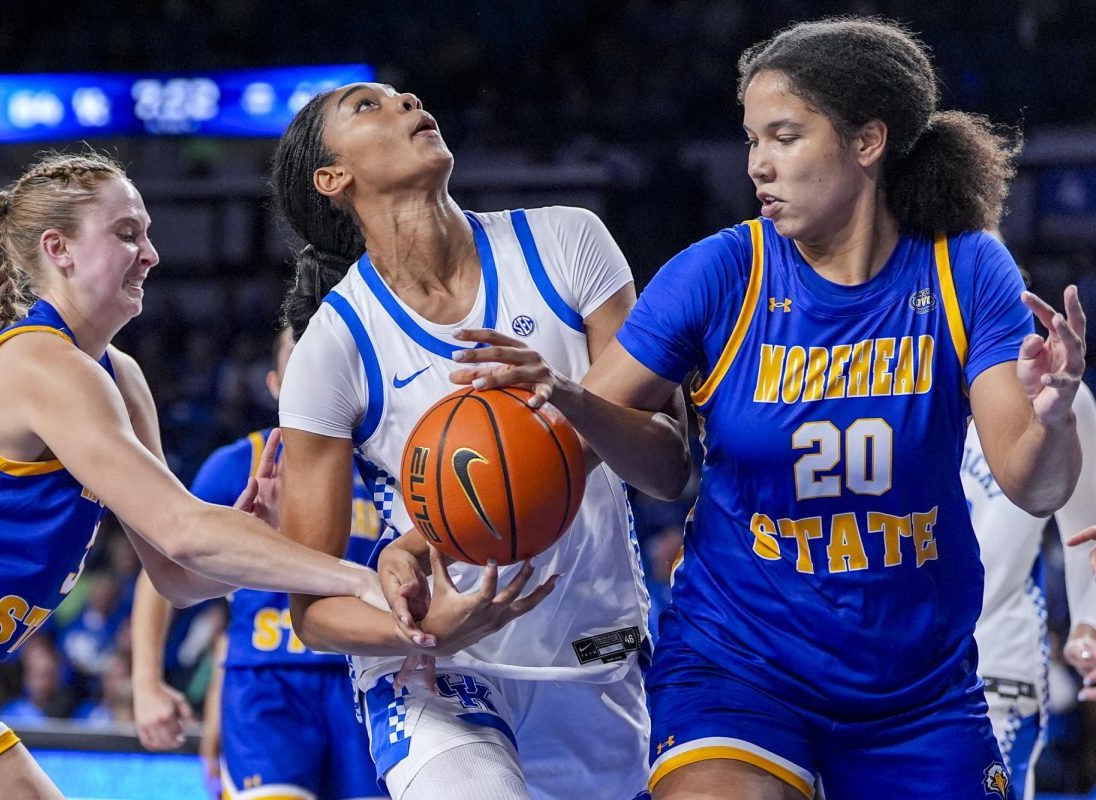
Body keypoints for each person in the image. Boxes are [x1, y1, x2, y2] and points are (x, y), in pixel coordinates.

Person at [449, 17, 1087, 800]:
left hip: (915, 686)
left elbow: (1036, 485)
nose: (759, 165)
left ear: (867, 142)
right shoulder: (719, 272)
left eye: (784, 137)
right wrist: (428, 534)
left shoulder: (965, 268)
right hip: (739, 663)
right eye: (751, 141)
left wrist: (1054, 419)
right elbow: (555, 453)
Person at [0, 151, 397, 800]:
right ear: (60, 250)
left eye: (149, 233)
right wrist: (362, 580)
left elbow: (180, 576)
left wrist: (254, 536)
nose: (152, 253)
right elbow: (185, 530)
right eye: (127, 233)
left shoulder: (121, 378)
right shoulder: (41, 365)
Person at [270, 82, 673, 800]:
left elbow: (667, 468)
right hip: (437, 675)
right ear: (333, 179)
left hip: (593, 652)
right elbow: (312, 610)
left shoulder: (565, 243)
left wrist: (569, 398)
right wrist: (422, 635)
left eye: (402, 96)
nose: (407, 100)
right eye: (368, 106)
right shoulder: (334, 348)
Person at [131, 327, 385, 800]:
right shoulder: (237, 463)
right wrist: (146, 681)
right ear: (274, 384)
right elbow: (162, 571)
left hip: (367, 680)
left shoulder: (383, 465)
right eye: (298, 353)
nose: (313, 364)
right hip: (266, 683)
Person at [964, 381, 1096, 800]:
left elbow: (1085, 526)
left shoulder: (1060, 391)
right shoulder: (886, 379)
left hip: (996, 674)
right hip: (881, 675)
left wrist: (1087, 623)